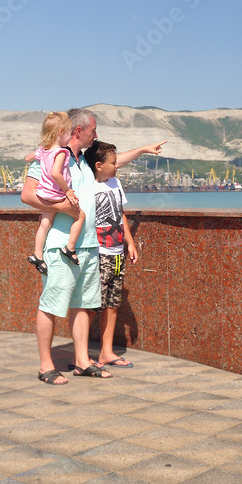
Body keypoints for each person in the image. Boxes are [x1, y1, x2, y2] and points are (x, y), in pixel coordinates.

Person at [20, 107, 165, 384]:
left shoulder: (84, 160)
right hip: (61, 245)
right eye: (93, 131)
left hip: (88, 245)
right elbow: (27, 195)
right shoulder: (50, 157)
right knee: (51, 305)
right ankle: (45, 365)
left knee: (83, 305)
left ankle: (82, 362)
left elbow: (115, 161)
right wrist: (62, 206)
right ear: (78, 131)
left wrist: (144, 149)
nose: (95, 135)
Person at [84, 140, 136, 368]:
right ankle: (82, 354)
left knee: (113, 305)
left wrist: (130, 243)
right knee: (94, 306)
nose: (116, 166)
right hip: (99, 254)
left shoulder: (114, 183)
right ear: (98, 165)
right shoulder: (88, 186)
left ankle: (106, 352)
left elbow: (121, 214)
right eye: (113, 163)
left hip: (116, 254)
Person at [26, 112, 86, 275]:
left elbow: (27, 158)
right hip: (57, 193)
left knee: (45, 223)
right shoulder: (61, 152)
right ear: (60, 133)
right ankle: (70, 246)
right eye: (68, 133)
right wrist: (68, 191)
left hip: (44, 193)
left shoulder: (43, 151)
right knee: (80, 217)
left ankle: (38, 254)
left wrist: (37, 155)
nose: (70, 137)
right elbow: (56, 173)